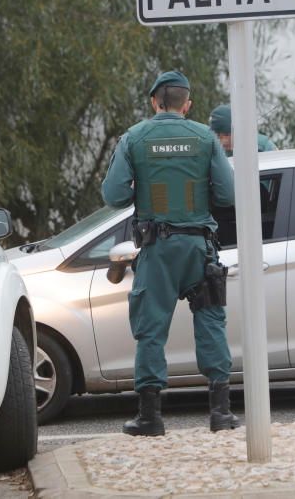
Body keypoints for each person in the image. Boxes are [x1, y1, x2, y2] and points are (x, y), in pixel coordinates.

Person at [101, 71, 239, 436]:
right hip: (199, 247)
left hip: (158, 249)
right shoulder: (205, 138)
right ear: (187, 104)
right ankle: (220, 413)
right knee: (210, 321)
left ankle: (150, 417)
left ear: (154, 101)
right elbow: (227, 195)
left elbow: (114, 195)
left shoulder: (134, 138)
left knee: (150, 330)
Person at [208, 104, 277, 156]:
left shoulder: (263, 147)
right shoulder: (213, 151)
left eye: (227, 134)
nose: (224, 141)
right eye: (218, 136)